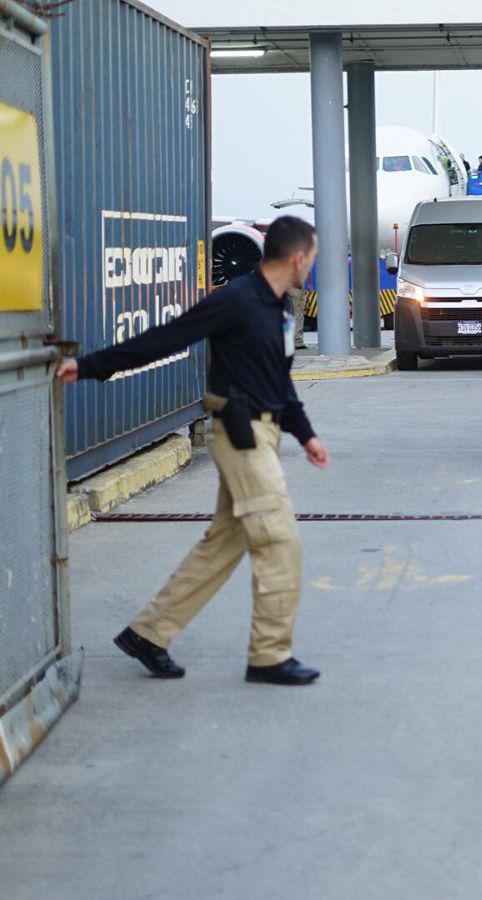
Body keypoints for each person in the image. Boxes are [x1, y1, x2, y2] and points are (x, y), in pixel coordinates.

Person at [57, 216, 329, 686]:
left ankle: (148, 633)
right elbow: (166, 337)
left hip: (265, 433)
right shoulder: (235, 300)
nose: (312, 267)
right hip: (240, 437)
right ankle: (269, 655)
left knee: (227, 540)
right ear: (298, 257)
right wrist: (89, 366)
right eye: (313, 258)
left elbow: (280, 381)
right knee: (278, 540)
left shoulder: (282, 309)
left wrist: (305, 435)